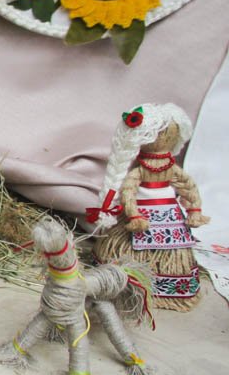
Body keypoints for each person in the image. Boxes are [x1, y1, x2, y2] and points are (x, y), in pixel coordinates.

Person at [89, 103, 209, 311]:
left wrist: (195, 210)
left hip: (168, 214)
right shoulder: (140, 170)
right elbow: (128, 191)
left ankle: (163, 288)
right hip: (140, 214)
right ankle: (122, 282)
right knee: (126, 245)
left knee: (170, 250)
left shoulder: (170, 168)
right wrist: (134, 214)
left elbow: (188, 187)